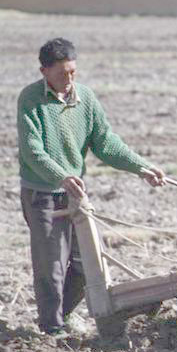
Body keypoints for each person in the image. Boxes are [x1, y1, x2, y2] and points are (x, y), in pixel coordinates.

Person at [17, 37, 166, 335]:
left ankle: (59, 315)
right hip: (43, 195)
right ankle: (52, 329)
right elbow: (33, 150)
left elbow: (106, 143)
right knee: (52, 267)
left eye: (73, 72)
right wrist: (60, 175)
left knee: (87, 265)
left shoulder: (85, 99)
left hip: (75, 195)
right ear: (44, 71)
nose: (69, 79)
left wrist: (141, 167)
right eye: (61, 73)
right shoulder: (30, 99)